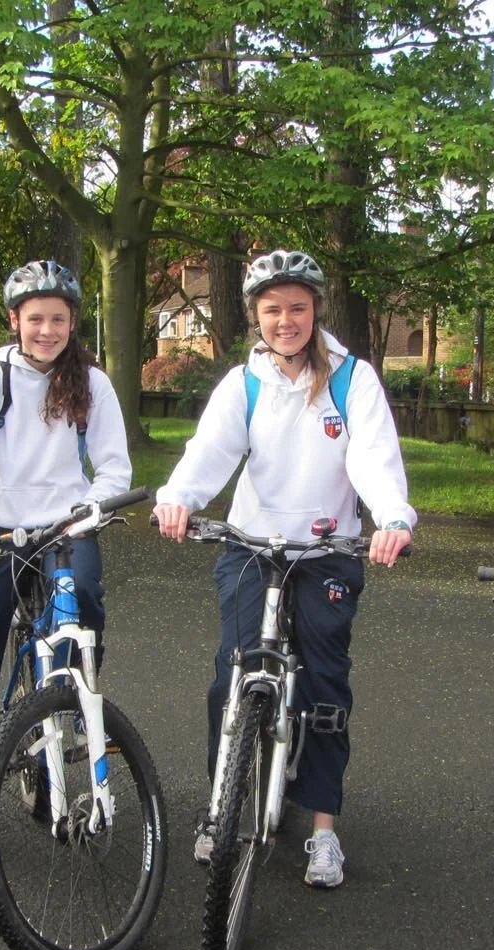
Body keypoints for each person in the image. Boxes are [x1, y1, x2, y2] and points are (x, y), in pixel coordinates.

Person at [153, 249, 415, 889]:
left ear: (315, 310)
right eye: (273, 310)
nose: (286, 320)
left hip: (327, 550)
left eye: (297, 308)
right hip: (251, 545)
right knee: (232, 674)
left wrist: (394, 518)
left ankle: (323, 831)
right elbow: (209, 453)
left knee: (325, 682)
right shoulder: (243, 385)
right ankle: (220, 811)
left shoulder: (352, 380)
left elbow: (375, 460)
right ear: (256, 317)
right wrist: (178, 498)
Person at [0, 260, 132, 847]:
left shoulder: (92, 381)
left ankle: (74, 703)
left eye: (57, 319)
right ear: (15, 320)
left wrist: (87, 510)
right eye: (35, 318)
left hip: (66, 525)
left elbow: (113, 464)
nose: (46, 329)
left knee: (82, 603)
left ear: (72, 323)